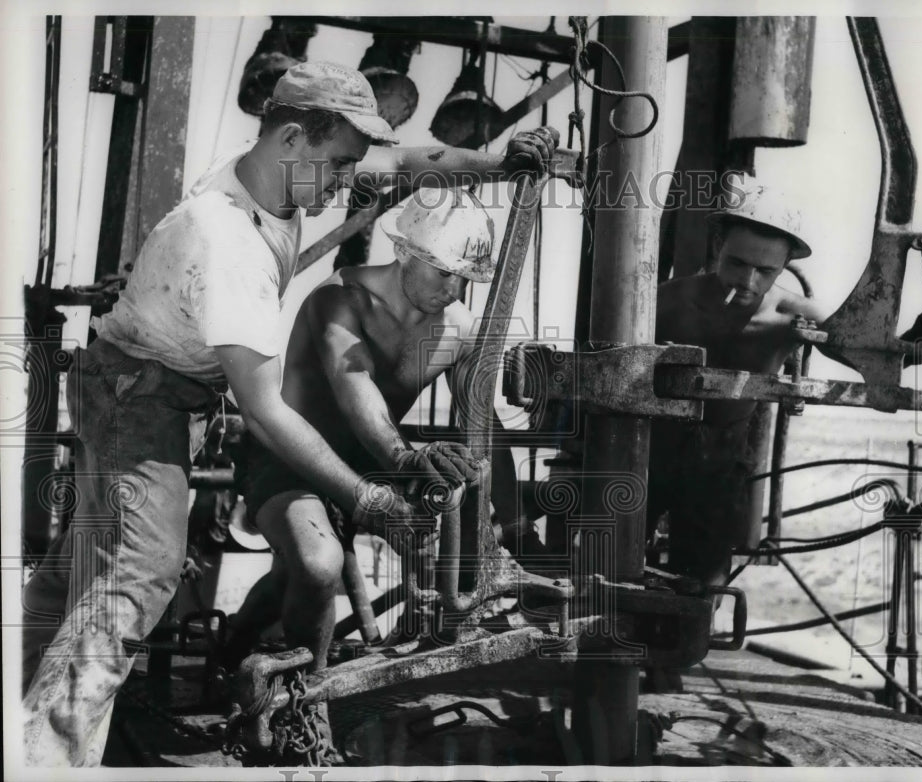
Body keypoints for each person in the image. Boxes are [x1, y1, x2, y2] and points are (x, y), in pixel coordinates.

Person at [19, 58, 549, 767]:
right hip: (137, 398)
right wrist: (368, 498)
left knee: (75, 577)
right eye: (337, 168)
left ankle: (14, 704)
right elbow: (266, 411)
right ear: (294, 138)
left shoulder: (285, 169)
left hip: (149, 386)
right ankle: (43, 761)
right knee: (136, 577)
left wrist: (497, 162)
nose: (346, 185)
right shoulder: (227, 239)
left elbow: (408, 158)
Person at [223, 172, 558, 672]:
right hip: (290, 462)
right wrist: (405, 459)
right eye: (443, 271)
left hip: (377, 468)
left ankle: (239, 654)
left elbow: (482, 427)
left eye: (465, 277)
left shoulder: (460, 332)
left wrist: (514, 528)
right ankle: (304, 703)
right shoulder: (339, 300)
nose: (454, 288)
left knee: (441, 564)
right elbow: (353, 385)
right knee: (316, 567)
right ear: (404, 252)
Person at [648, 175, 922, 585]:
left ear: (783, 267)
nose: (747, 282)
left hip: (722, 461)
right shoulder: (663, 301)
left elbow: (875, 357)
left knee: (701, 584)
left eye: (764, 271)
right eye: (737, 264)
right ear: (717, 248)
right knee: (613, 563)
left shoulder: (791, 314)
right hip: (650, 447)